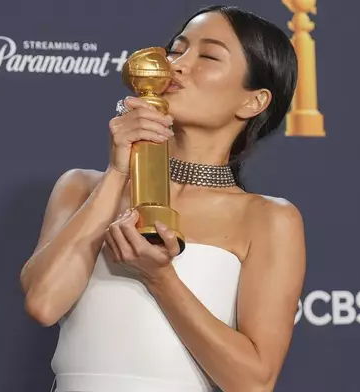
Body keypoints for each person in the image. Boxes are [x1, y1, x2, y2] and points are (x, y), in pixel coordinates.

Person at [19, 5, 306, 392]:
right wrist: (119, 172)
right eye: (176, 49)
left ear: (252, 102)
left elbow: (253, 382)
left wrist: (160, 278)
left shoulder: (269, 218)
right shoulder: (82, 187)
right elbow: (44, 303)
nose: (177, 65)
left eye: (207, 56)